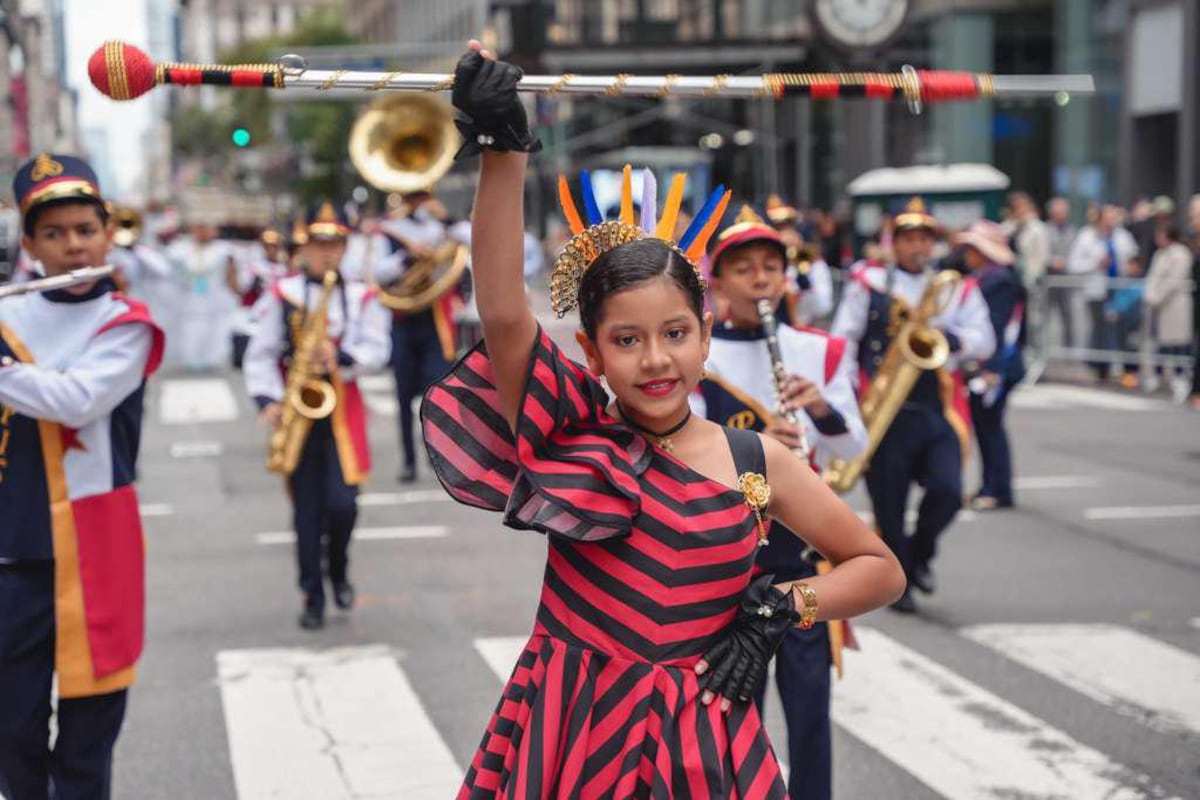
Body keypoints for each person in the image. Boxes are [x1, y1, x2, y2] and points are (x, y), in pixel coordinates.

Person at [421, 44, 905, 798]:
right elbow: (504, 311)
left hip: (703, 745)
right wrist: (504, 150)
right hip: (570, 731)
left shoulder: (756, 460)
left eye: (675, 334)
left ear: (705, 335)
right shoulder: (571, 433)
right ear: (591, 351)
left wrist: (784, 605)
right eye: (626, 340)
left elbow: (879, 569)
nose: (655, 360)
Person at [0, 154, 164, 800]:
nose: (73, 247)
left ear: (108, 233)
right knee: (11, 732)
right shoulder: (10, 317)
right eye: (55, 234)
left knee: (87, 742)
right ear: (32, 245)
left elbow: (75, 400)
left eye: (85, 230)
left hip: (97, 548)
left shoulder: (126, 322)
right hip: (13, 553)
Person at [691, 204, 868, 800]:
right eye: (745, 268)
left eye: (771, 266)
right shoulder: (698, 357)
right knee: (733, 718)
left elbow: (852, 443)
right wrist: (758, 450)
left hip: (802, 563)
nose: (761, 278)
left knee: (810, 713)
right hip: (730, 568)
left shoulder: (816, 349)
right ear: (717, 282)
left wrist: (817, 408)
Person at [831, 198, 995, 613]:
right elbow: (844, 338)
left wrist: (951, 340)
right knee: (890, 503)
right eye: (909, 239)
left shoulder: (954, 288)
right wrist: (847, 392)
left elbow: (985, 337)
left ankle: (921, 552)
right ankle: (899, 577)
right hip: (885, 410)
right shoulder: (867, 284)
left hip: (936, 406)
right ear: (894, 242)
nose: (918, 246)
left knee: (948, 489)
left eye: (925, 238)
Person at [243, 201, 391, 630]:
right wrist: (267, 400)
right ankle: (312, 592)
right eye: (318, 245)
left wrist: (340, 355)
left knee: (344, 506)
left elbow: (378, 351)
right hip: (298, 410)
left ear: (344, 250)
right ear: (303, 248)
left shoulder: (363, 297)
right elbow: (261, 353)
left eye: (334, 245)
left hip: (344, 409)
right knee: (306, 512)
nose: (326, 253)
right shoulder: (283, 295)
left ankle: (338, 570)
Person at [377, 189, 464, 483]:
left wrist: (447, 218)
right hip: (403, 321)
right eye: (412, 195)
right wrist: (406, 257)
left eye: (422, 194)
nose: (418, 200)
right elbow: (376, 272)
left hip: (434, 321)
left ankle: (436, 452)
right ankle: (409, 461)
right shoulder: (388, 230)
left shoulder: (439, 227)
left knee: (437, 393)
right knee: (403, 396)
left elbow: (472, 240)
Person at [956, 221, 1025, 510]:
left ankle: (998, 488)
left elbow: (997, 329)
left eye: (972, 248)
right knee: (986, 427)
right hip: (990, 364)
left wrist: (991, 369)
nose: (967, 254)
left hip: (996, 366)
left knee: (991, 427)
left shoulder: (999, 282)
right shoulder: (987, 278)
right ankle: (989, 485)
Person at [1068, 204, 1138, 382]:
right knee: (1100, 328)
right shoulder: (1086, 236)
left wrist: (1130, 267)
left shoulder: (1123, 237)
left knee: (1121, 329)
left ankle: (1125, 368)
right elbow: (1073, 264)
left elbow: (1134, 259)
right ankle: (1101, 368)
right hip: (1096, 290)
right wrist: (1095, 264)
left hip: (1120, 290)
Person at [165, 220, 239, 371]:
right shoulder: (181, 249)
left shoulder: (224, 250)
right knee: (191, 332)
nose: (202, 231)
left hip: (215, 300)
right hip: (190, 301)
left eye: (205, 228)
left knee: (216, 332)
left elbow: (232, 276)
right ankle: (192, 361)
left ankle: (211, 360)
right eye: (198, 228)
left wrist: (234, 293)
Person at [1142, 225, 1194, 402]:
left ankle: (1180, 379)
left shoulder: (1180, 254)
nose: (1157, 238)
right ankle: (1156, 376)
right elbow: (1152, 276)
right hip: (1157, 306)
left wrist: (1156, 297)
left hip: (1174, 305)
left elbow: (1174, 280)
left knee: (1178, 344)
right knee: (1159, 342)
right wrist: (1149, 294)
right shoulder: (1159, 254)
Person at [1044, 197, 1077, 348]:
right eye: (1058, 212)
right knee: (1045, 315)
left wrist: (1066, 262)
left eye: (1064, 212)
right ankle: (1042, 347)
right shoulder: (1045, 230)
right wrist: (1053, 261)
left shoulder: (1072, 230)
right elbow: (1043, 252)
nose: (1062, 215)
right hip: (1049, 278)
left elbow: (1075, 251)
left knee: (1068, 315)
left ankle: (1069, 348)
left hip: (1065, 278)